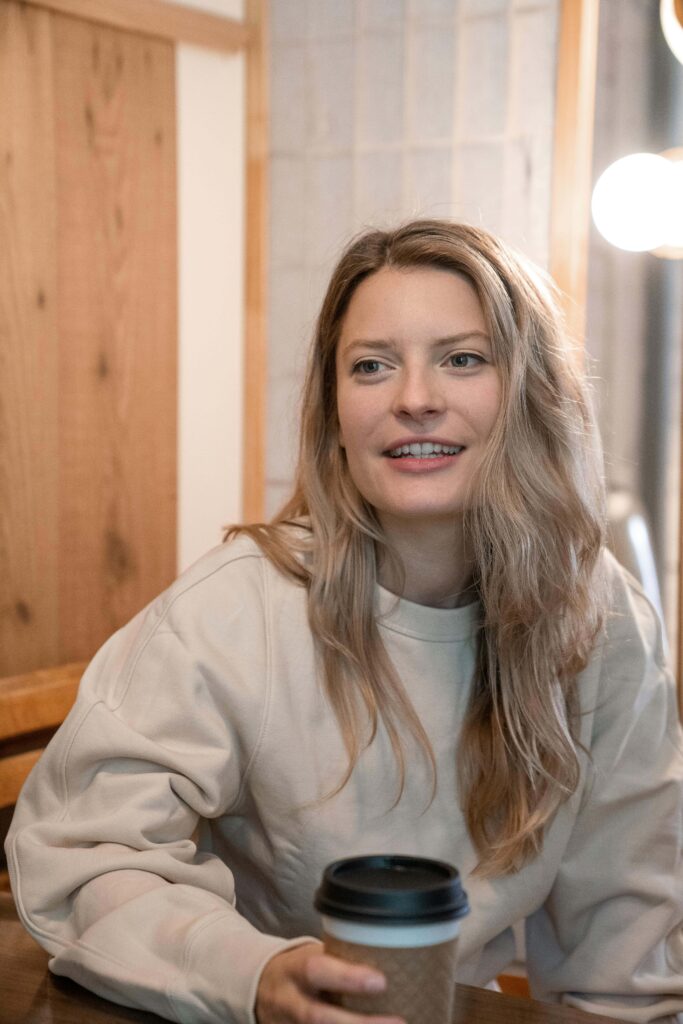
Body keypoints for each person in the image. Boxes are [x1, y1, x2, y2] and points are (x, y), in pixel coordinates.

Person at [6, 220, 683, 1024]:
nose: (415, 398)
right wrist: (255, 974)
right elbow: (81, 855)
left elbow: (625, 959)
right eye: (372, 366)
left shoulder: (600, 622)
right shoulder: (240, 609)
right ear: (334, 413)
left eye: (462, 358)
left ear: (531, 391)